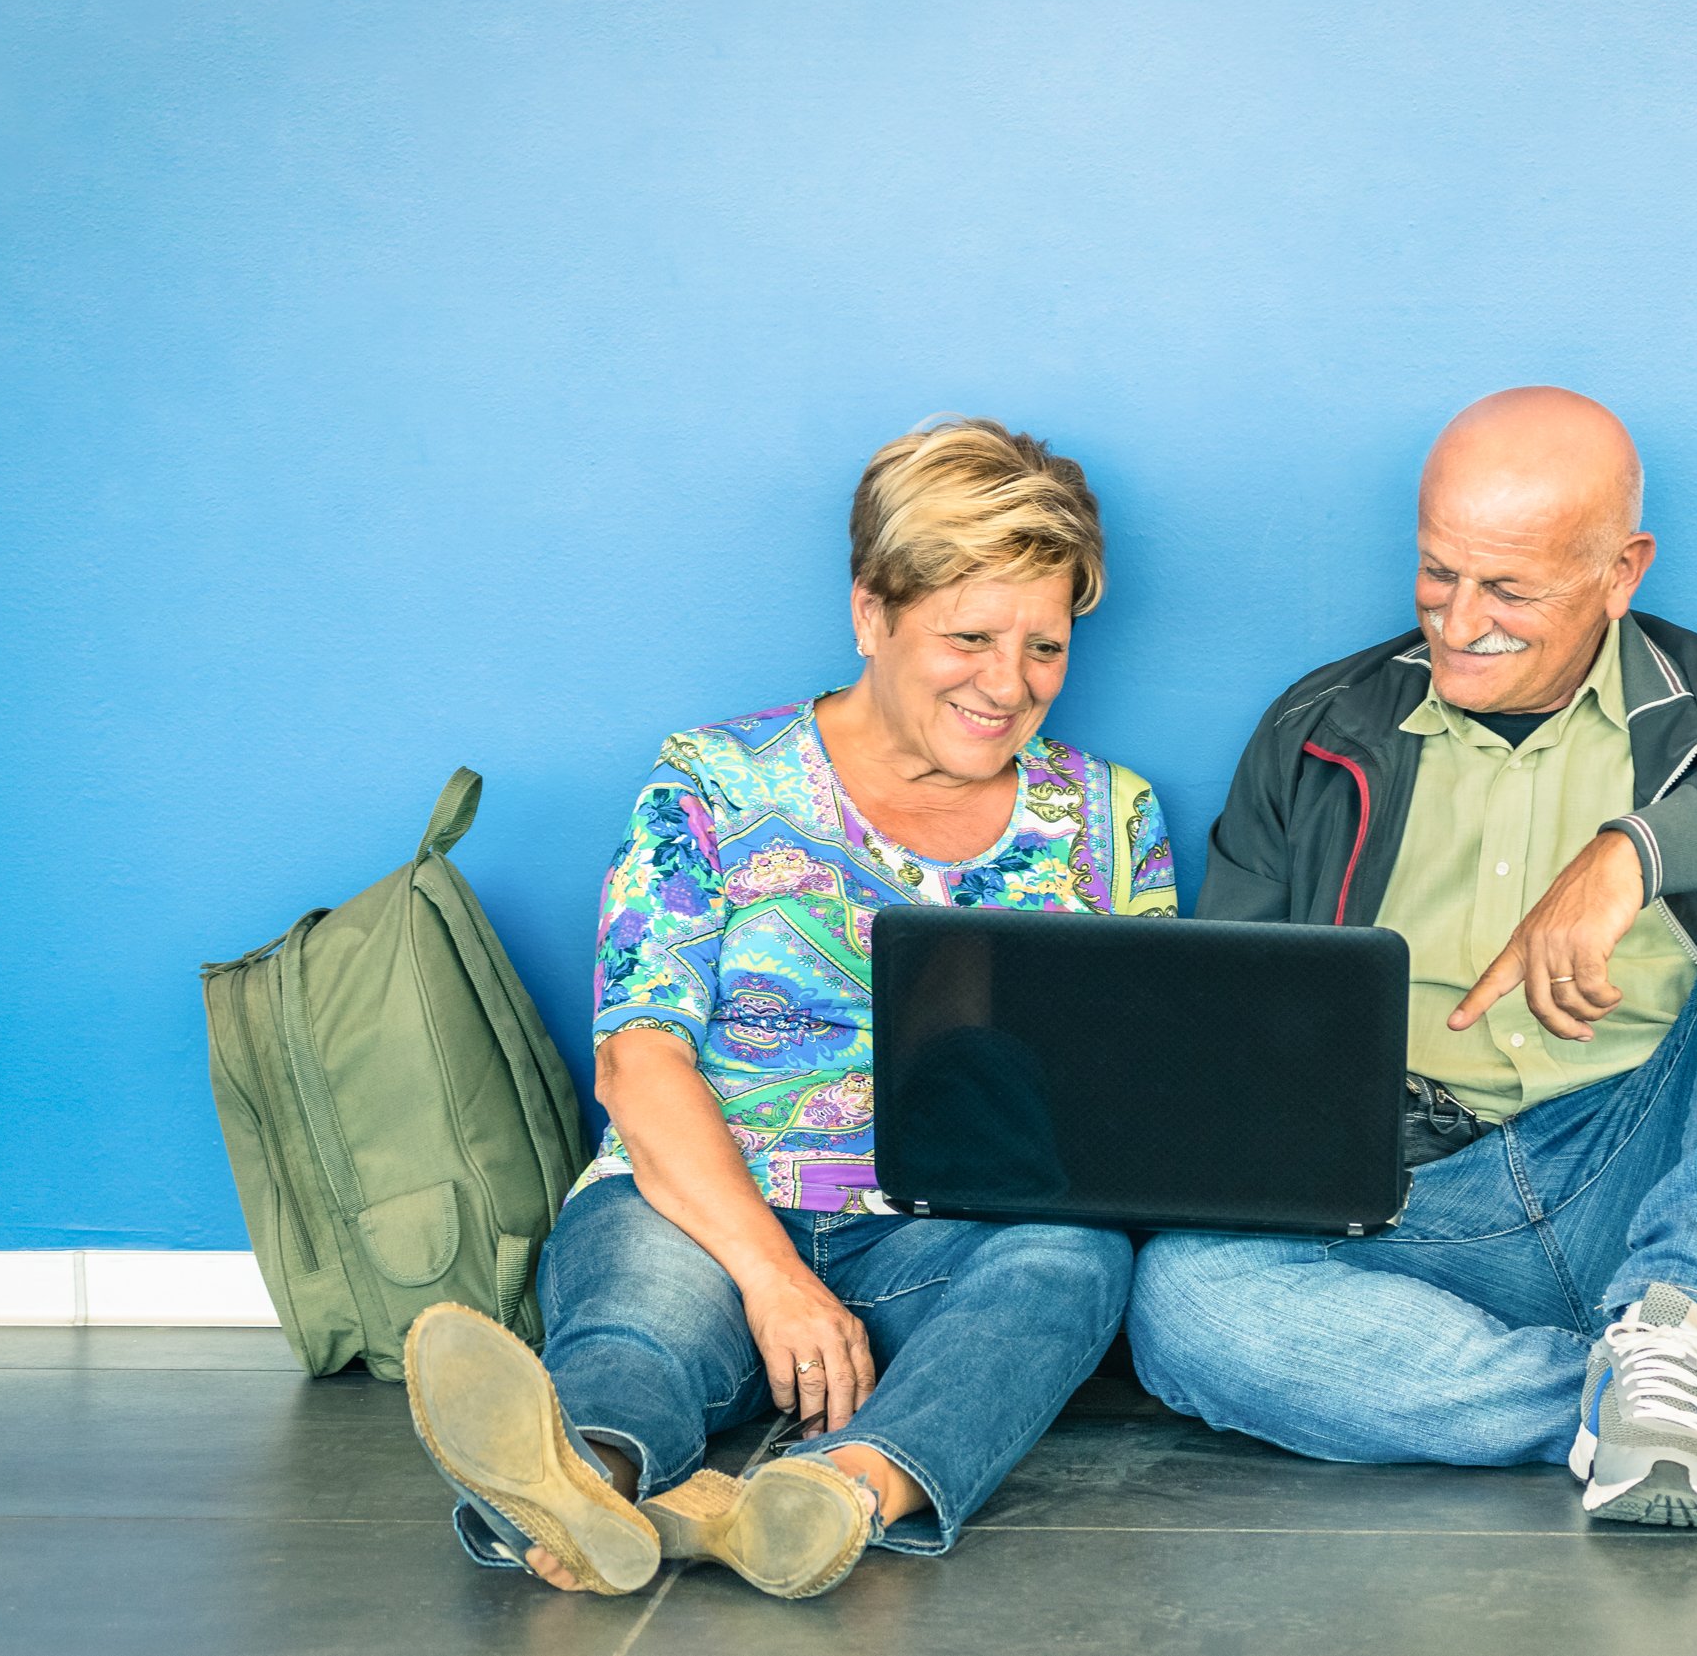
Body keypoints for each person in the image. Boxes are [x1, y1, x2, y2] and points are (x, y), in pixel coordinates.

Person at [1126, 386, 1697, 1529]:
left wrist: (1640, 851)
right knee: (1183, 1299)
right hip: (1411, 1207)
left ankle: (1685, 1316)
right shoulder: (1317, 731)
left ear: (1622, 571)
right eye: (1437, 573)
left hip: (1655, 1172)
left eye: (1510, 587)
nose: (1459, 621)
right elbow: (1226, 1018)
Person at [404, 418, 1176, 1599]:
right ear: (872, 612)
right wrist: (776, 1279)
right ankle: (582, 1478)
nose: (1010, 685)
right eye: (969, 636)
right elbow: (638, 1062)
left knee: (1071, 1261)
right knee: (634, 1330)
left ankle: (834, 1490)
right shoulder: (713, 782)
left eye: (1045, 646)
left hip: (948, 1227)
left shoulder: (1107, 820)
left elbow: (1135, 1084)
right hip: (708, 1207)